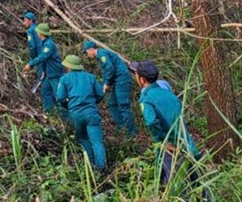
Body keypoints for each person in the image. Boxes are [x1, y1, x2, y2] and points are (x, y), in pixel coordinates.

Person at [130, 60, 208, 199]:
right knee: (200, 183)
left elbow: (151, 121)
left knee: (176, 188)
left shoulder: (146, 98)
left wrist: (162, 141)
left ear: (141, 79)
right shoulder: (169, 94)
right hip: (189, 145)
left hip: (172, 149)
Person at [56, 54, 107, 170]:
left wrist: (68, 106)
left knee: (83, 138)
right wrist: (92, 103)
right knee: (97, 141)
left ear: (68, 67)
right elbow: (100, 94)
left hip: (76, 114)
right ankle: (102, 168)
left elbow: (60, 98)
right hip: (91, 113)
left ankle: (92, 165)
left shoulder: (64, 79)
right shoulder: (90, 77)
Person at [82, 41, 137, 137]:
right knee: (111, 104)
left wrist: (107, 83)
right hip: (117, 81)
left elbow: (110, 68)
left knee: (123, 106)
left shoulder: (101, 54)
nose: (87, 55)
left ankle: (131, 133)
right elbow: (108, 71)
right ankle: (122, 127)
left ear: (91, 49)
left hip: (122, 81)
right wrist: (105, 84)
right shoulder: (101, 56)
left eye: (86, 52)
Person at [22, 23, 66, 119]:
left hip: (55, 74)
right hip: (48, 74)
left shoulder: (49, 45)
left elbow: (43, 56)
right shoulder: (44, 43)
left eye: (38, 32)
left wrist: (30, 64)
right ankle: (50, 114)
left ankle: (65, 118)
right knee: (45, 92)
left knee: (59, 96)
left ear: (41, 34)